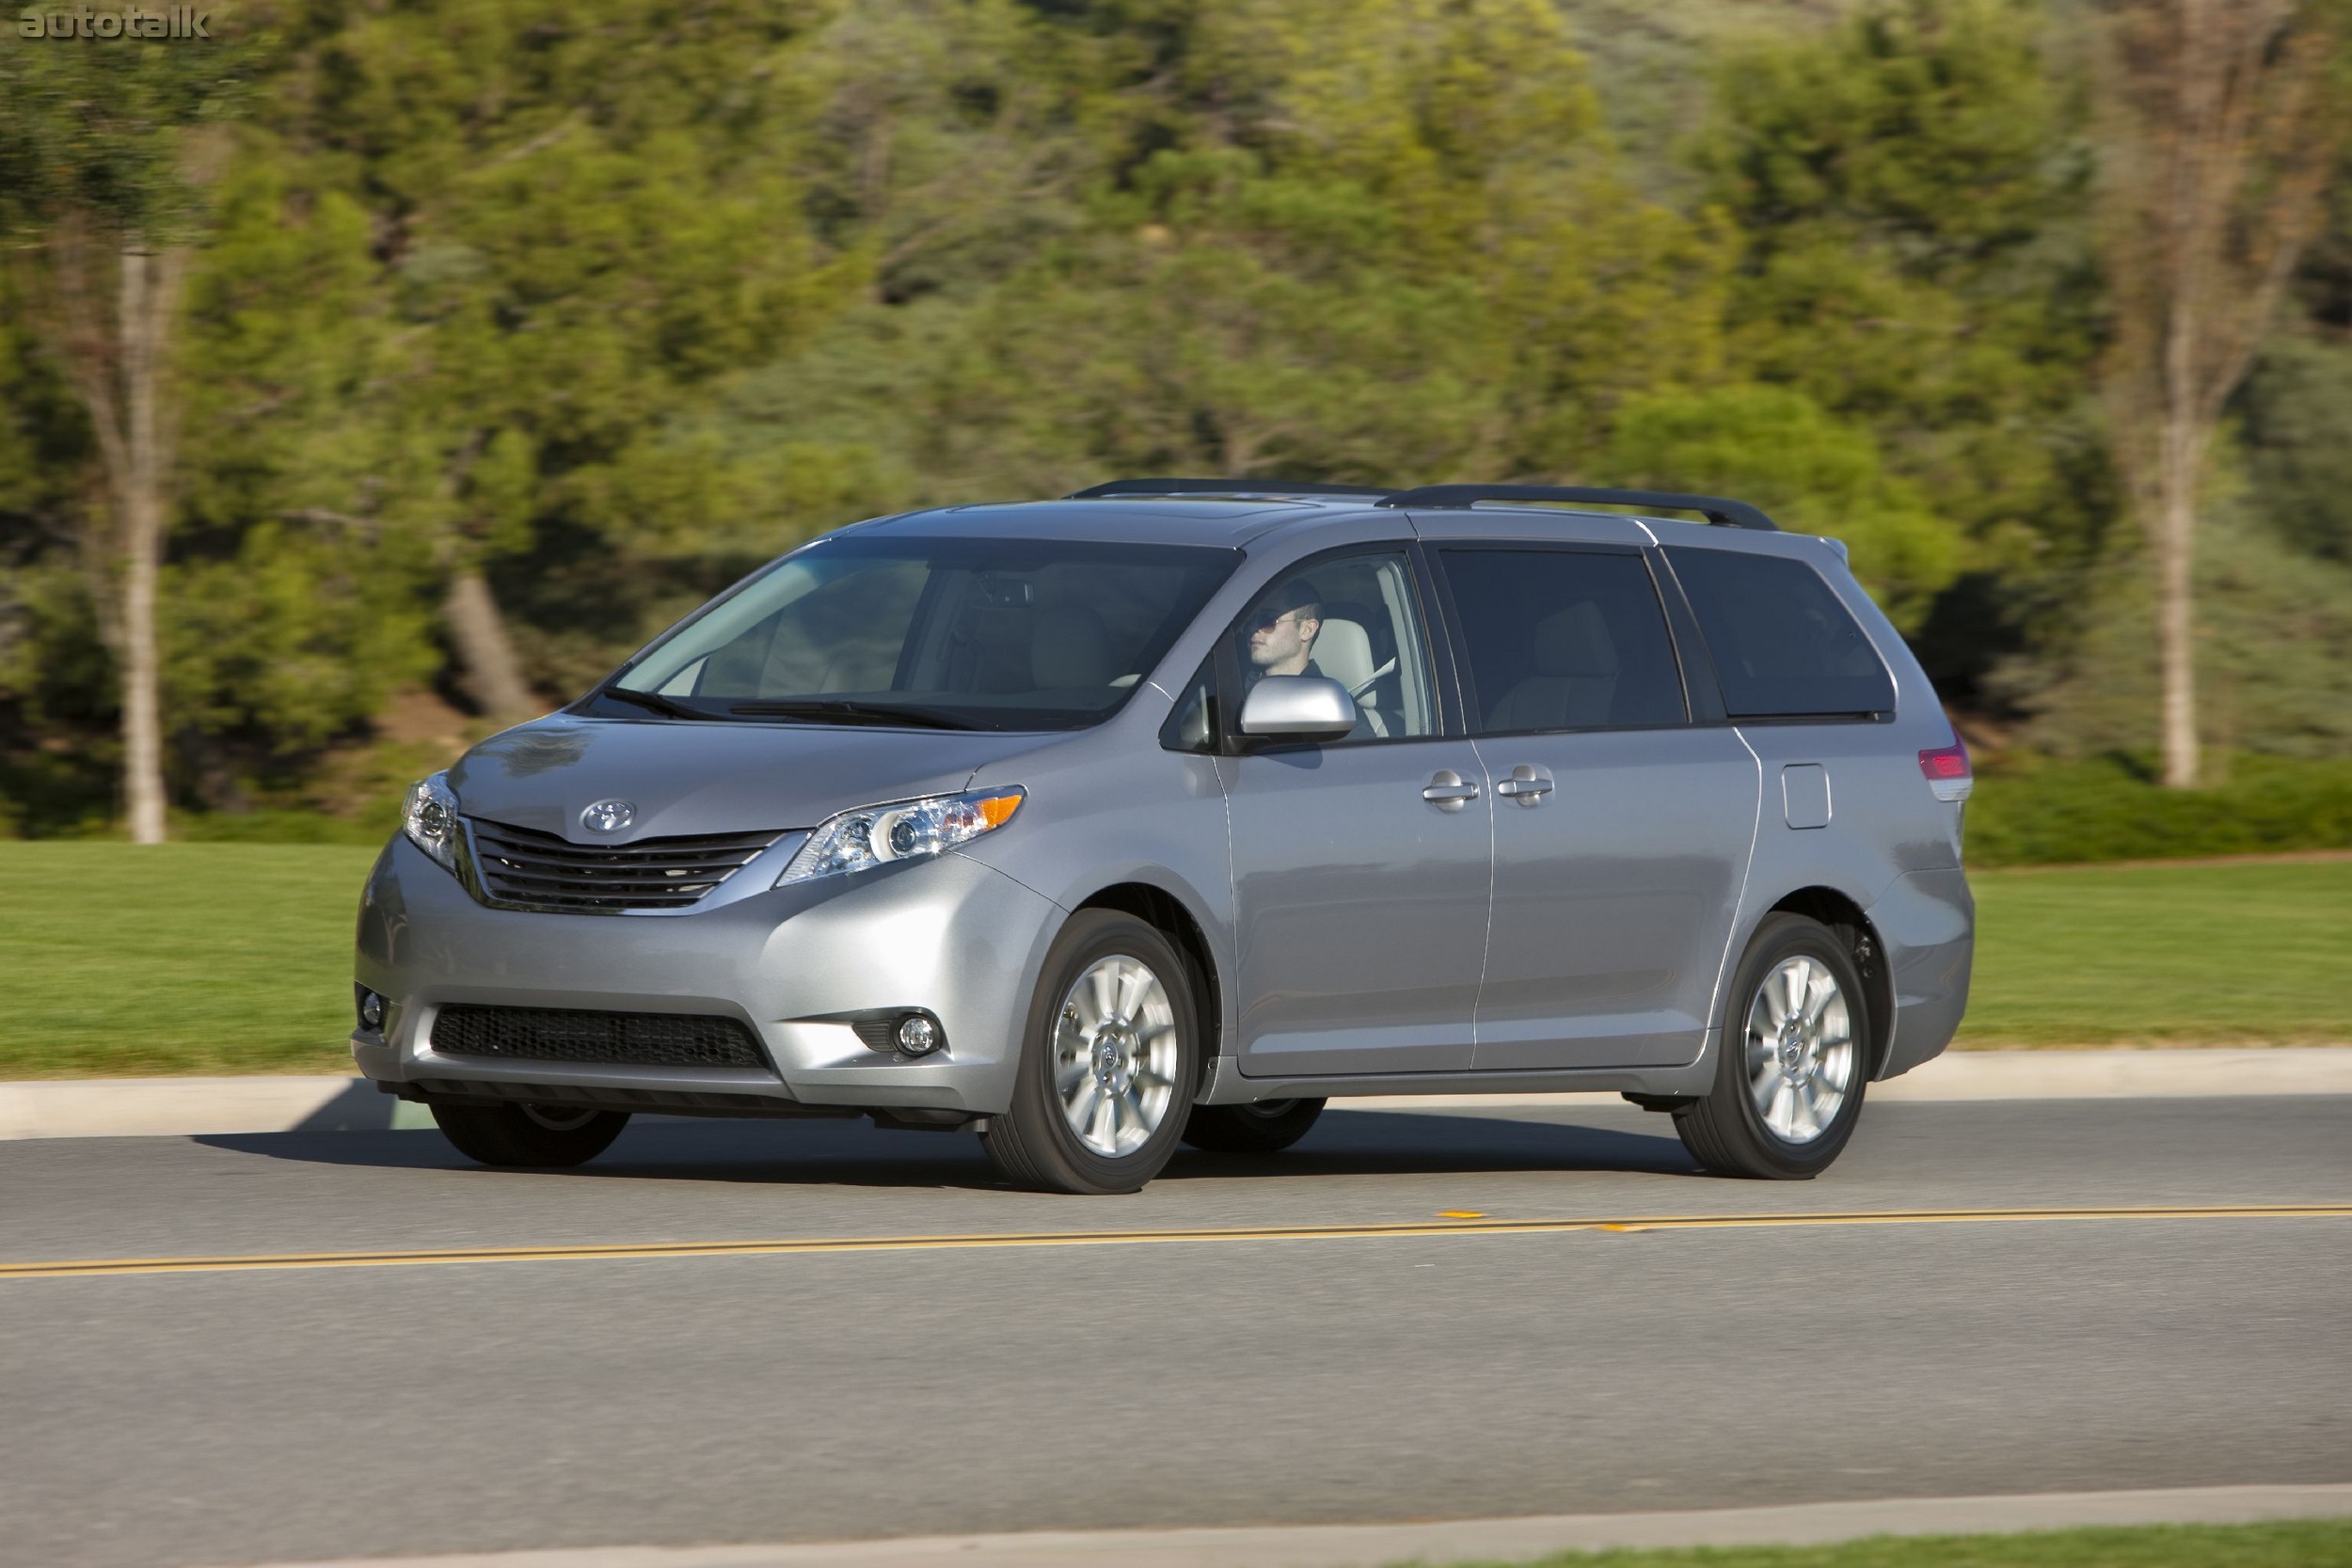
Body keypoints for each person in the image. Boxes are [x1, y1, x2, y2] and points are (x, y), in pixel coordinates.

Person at [1244, 578, 1325, 684]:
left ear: (1307, 630)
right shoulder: (1227, 687)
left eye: (1268, 619)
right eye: (1249, 620)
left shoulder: (1326, 698)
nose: (1253, 627)